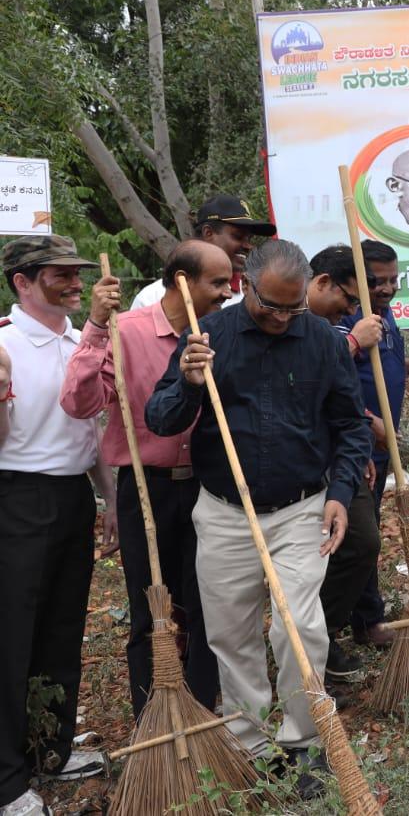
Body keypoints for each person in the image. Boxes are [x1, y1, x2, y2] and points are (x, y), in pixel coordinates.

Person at [145, 239, 370, 797]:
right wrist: (192, 384)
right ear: (246, 285)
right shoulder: (210, 337)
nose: (280, 318)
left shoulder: (321, 341)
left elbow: (351, 427)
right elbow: (159, 417)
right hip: (223, 511)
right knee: (229, 631)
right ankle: (251, 743)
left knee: (301, 628)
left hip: (300, 508)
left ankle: (302, 743)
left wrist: (340, 493)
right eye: (270, 306)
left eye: (292, 308)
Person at [60, 240, 232, 721]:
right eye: (217, 282)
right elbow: (78, 404)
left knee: (204, 605)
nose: (227, 291)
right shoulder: (124, 330)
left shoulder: (222, 330)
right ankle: (149, 718)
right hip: (145, 486)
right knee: (148, 609)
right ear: (182, 280)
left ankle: (202, 713)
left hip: (207, 486)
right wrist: (94, 326)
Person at [0, 236, 117, 816]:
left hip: (72, 496)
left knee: (62, 626)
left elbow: (88, 431)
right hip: (16, 497)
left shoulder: (82, 340)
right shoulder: (3, 343)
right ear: (23, 282)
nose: (74, 282)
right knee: (11, 636)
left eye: (76, 271)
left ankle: (53, 747)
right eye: (59, 274)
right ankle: (6, 779)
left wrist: (110, 499)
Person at [341, 240, 409, 647]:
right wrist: (369, 423)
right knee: (362, 536)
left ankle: (362, 615)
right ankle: (362, 618)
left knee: (369, 528)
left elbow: (388, 359)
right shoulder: (348, 319)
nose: (389, 287)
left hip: (379, 448)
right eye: (378, 280)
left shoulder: (383, 313)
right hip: (355, 447)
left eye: (395, 279)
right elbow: (335, 377)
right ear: (356, 278)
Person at [302, 245, 385, 687]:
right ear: (320, 283)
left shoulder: (333, 330)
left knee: (361, 541)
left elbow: (344, 400)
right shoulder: (292, 328)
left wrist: (358, 452)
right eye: (347, 300)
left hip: (341, 458)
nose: (351, 310)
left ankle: (323, 627)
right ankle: (307, 644)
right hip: (297, 466)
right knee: (310, 554)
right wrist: (354, 341)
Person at [131, 195, 276, 310]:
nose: (248, 246)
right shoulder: (153, 297)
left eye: (249, 238)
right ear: (208, 232)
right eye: (238, 236)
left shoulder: (255, 296)